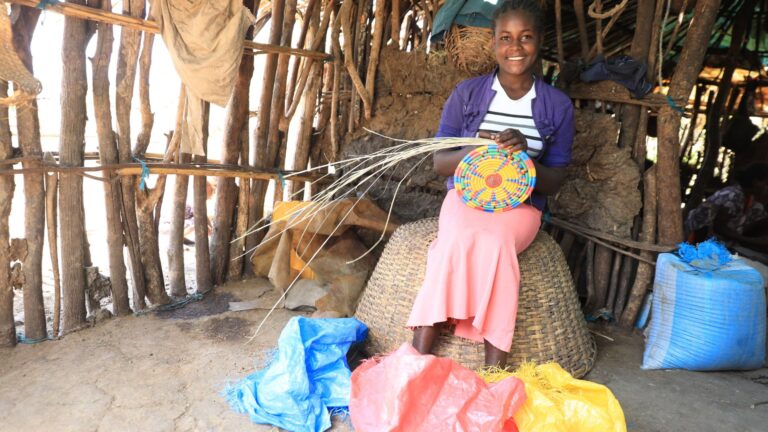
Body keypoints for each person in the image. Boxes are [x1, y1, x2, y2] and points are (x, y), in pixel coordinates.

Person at [407, 0, 574, 367]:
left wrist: (526, 158)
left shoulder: (557, 106)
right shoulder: (467, 94)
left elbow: (554, 181)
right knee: (455, 241)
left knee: (497, 244)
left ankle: (493, 372)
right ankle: (417, 359)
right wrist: (478, 149)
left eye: (525, 37)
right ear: (493, 43)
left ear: (539, 41)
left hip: (521, 208)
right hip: (465, 199)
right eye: (505, 38)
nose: (515, 48)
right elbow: (440, 163)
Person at [685, 162, 768, 257]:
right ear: (756, 182)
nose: (766, 188)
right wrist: (745, 240)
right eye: (766, 183)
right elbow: (719, 227)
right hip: (696, 240)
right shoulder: (733, 196)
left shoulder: (748, 199)